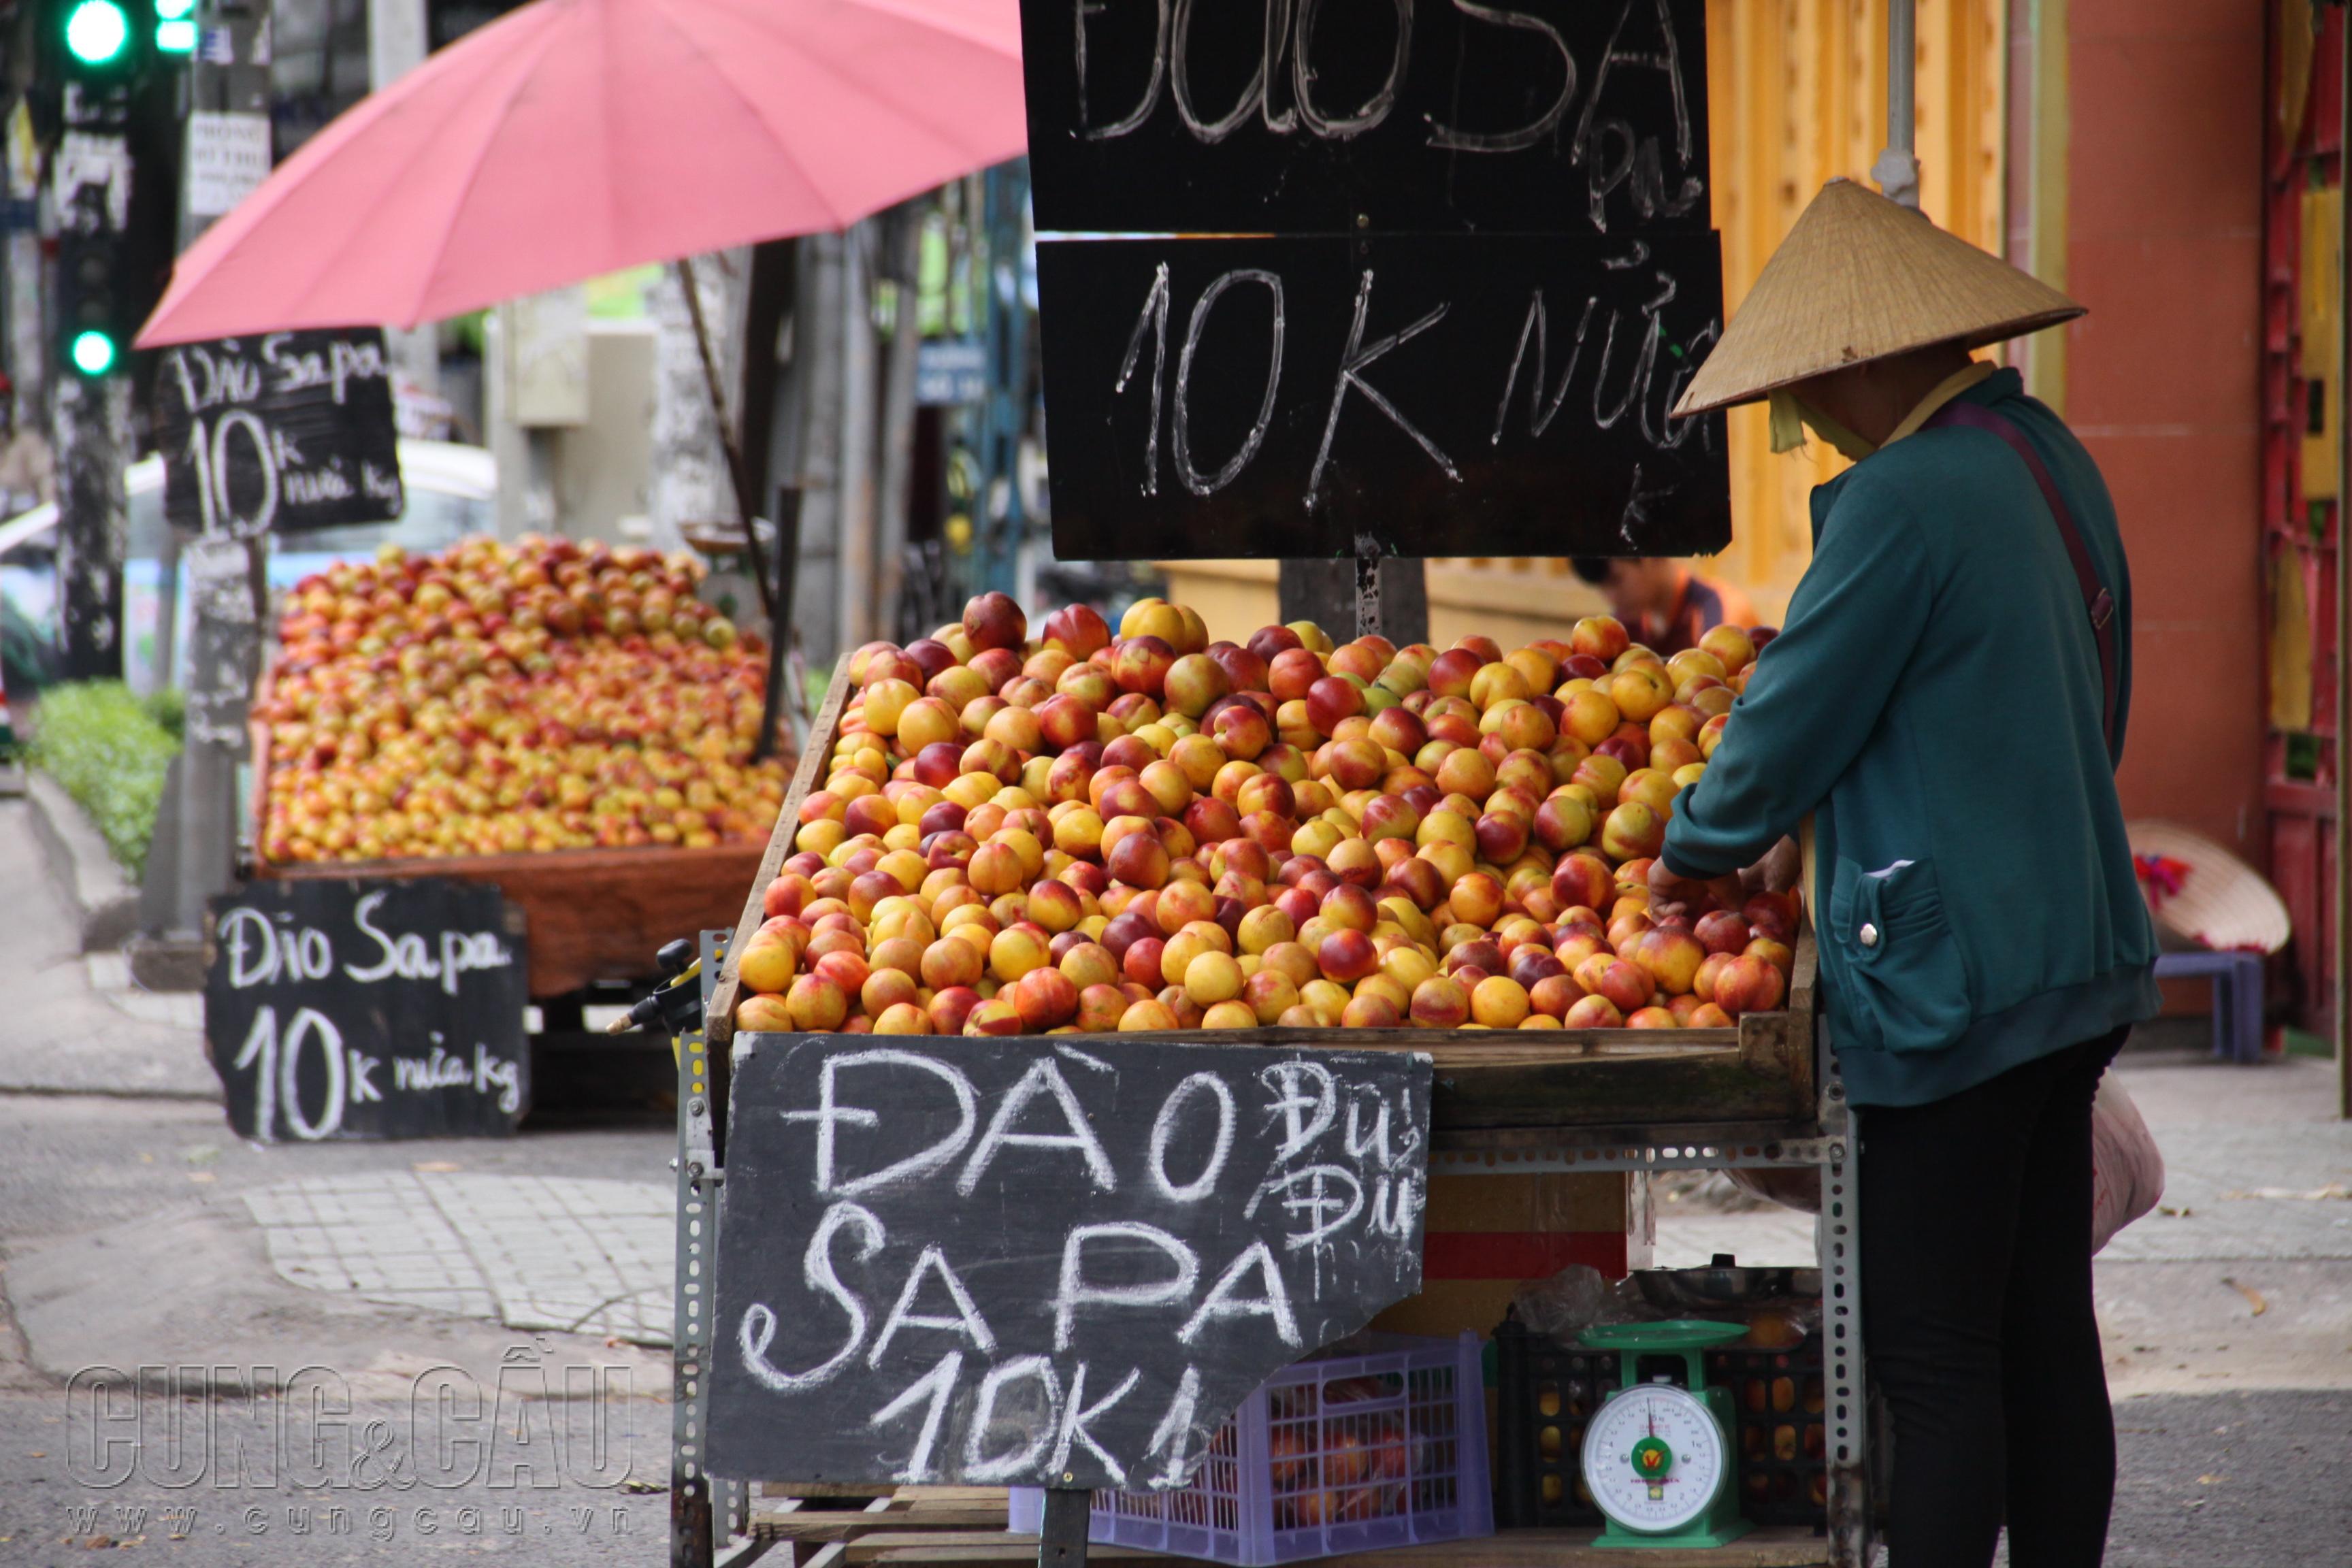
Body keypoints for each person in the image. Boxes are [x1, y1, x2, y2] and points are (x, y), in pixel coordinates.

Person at [1649, 178, 2158, 1567]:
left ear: (1872, 360)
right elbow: (2099, 688)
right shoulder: (2044, 452)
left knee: (1933, 1362)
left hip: (1953, 985)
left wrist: (1691, 850)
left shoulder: (1904, 499)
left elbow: (1792, 716)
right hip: (2076, 953)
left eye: (1814, 390)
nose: (1806, 419)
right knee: (2045, 1327)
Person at [1569, 555, 1757, 658]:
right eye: (1602, 588)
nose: (1611, 597)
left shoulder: (1721, 614)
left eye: (1617, 580)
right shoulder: (1626, 623)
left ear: (1649, 557)